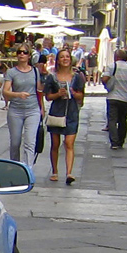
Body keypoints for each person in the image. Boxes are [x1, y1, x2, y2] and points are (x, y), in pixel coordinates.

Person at [44, 47, 85, 184]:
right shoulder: (52, 77)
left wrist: (73, 93)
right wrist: (58, 94)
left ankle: (69, 173)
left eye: (67, 56)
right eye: (62, 57)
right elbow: (48, 97)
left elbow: (81, 98)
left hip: (72, 112)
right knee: (55, 144)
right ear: (58, 60)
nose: (65, 59)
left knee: (69, 143)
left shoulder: (77, 77)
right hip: (57, 112)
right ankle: (54, 171)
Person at [2, 44, 44, 167]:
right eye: (19, 52)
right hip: (16, 110)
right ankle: (15, 167)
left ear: (29, 55)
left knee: (30, 142)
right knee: (15, 142)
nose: (21, 54)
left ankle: (28, 169)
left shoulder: (35, 71)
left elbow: (39, 91)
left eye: (25, 52)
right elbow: (5, 91)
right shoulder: (11, 72)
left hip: (33, 109)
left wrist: (42, 108)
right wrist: (18, 94)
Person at [102, 49, 127, 150]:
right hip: (125, 99)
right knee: (123, 120)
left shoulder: (111, 66)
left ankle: (114, 142)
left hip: (113, 97)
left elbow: (105, 78)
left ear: (116, 57)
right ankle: (120, 141)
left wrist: (107, 85)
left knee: (112, 120)